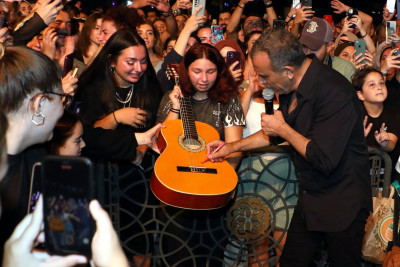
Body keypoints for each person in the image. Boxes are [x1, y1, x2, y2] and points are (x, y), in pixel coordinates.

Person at [206, 29, 372, 266]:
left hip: (343, 203)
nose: (261, 82)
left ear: (288, 71)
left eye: (265, 76)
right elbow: (272, 134)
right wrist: (230, 147)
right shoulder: (289, 87)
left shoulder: (334, 92)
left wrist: (283, 130)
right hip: (311, 198)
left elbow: (323, 158)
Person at [75, 29, 163, 265]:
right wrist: (116, 117)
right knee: (101, 243)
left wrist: (141, 150)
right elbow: (87, 135)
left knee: (141, 242)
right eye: (130, 62)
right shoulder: (91, 87)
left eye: (143, 61)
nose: (138, 68)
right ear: (112, 61)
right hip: (100, 177)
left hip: (138, 178)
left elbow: (158, 127)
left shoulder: (150, 87)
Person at [155, 42, 245, 265]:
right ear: (186, 71)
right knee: (177, 255)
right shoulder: (171, 97)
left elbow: (235, 150)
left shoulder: (229, 99)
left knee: (211, 256)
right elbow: (160, 142)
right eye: (197, 71)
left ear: (219, 71)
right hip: (177, 189)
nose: (204, 78)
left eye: (210, 71)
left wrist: (222, 184)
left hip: (213, 188)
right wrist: (175, 107)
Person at [352, 67, 400, 180]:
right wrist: (358, 138)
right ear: (360, 95)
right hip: (357, 179)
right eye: (372, 85)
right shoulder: (353, 115)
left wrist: (384, 142)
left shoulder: (395, 114)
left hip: (387, 180)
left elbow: (391, 145)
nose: (379, 87)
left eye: (382, 83)